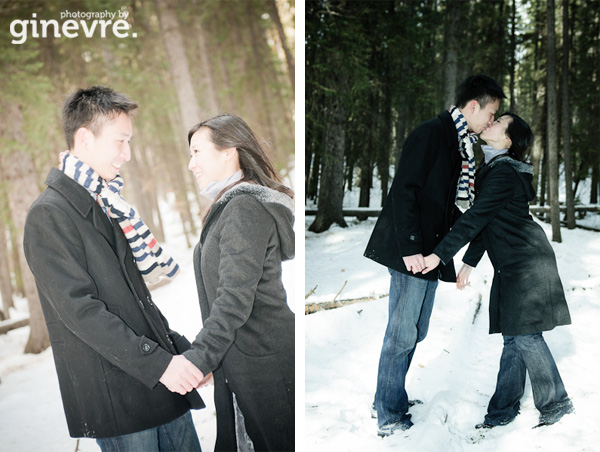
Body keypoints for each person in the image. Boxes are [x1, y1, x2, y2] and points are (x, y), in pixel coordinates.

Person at [23, 86, 206, 452]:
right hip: (119, 398)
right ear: (84, 138)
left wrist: (183, 353)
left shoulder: (108, 202)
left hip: (159, 384)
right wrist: (161, 365)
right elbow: (82, 312)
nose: (128, 154)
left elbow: (134, 301)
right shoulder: (49, 215)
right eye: (120, 141)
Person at [363, 75, 506, 437]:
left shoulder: (460, 143)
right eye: (491, 113)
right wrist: (411, 247)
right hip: (411, 251)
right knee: (401, 333)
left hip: (430, 251)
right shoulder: (432, 133)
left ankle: (389, 395)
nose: (491, 122)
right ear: (473, 106)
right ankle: (389, 414)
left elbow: (444, 204)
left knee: (416, 330)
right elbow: (404, 191)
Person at [423, 112, 573, 429]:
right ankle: (503, 409)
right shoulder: (491, 168)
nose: (489, 122)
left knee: (526, 336)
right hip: (513, 263)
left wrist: (440, 255)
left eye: (499, 122)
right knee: (513, 338)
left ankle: (556, 402)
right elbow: (489, 220)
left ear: (507, 140)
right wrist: (470, 261)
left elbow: (477, 216)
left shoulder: (503, 173)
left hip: (527, 263)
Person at [180, 114, 295, 451]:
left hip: (265, 366)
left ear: (228, 150)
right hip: (243, 362)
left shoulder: (243, 208)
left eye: (197, 152)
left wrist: (200, 358)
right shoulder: (229, 206)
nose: (191, 164)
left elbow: (233, 300)